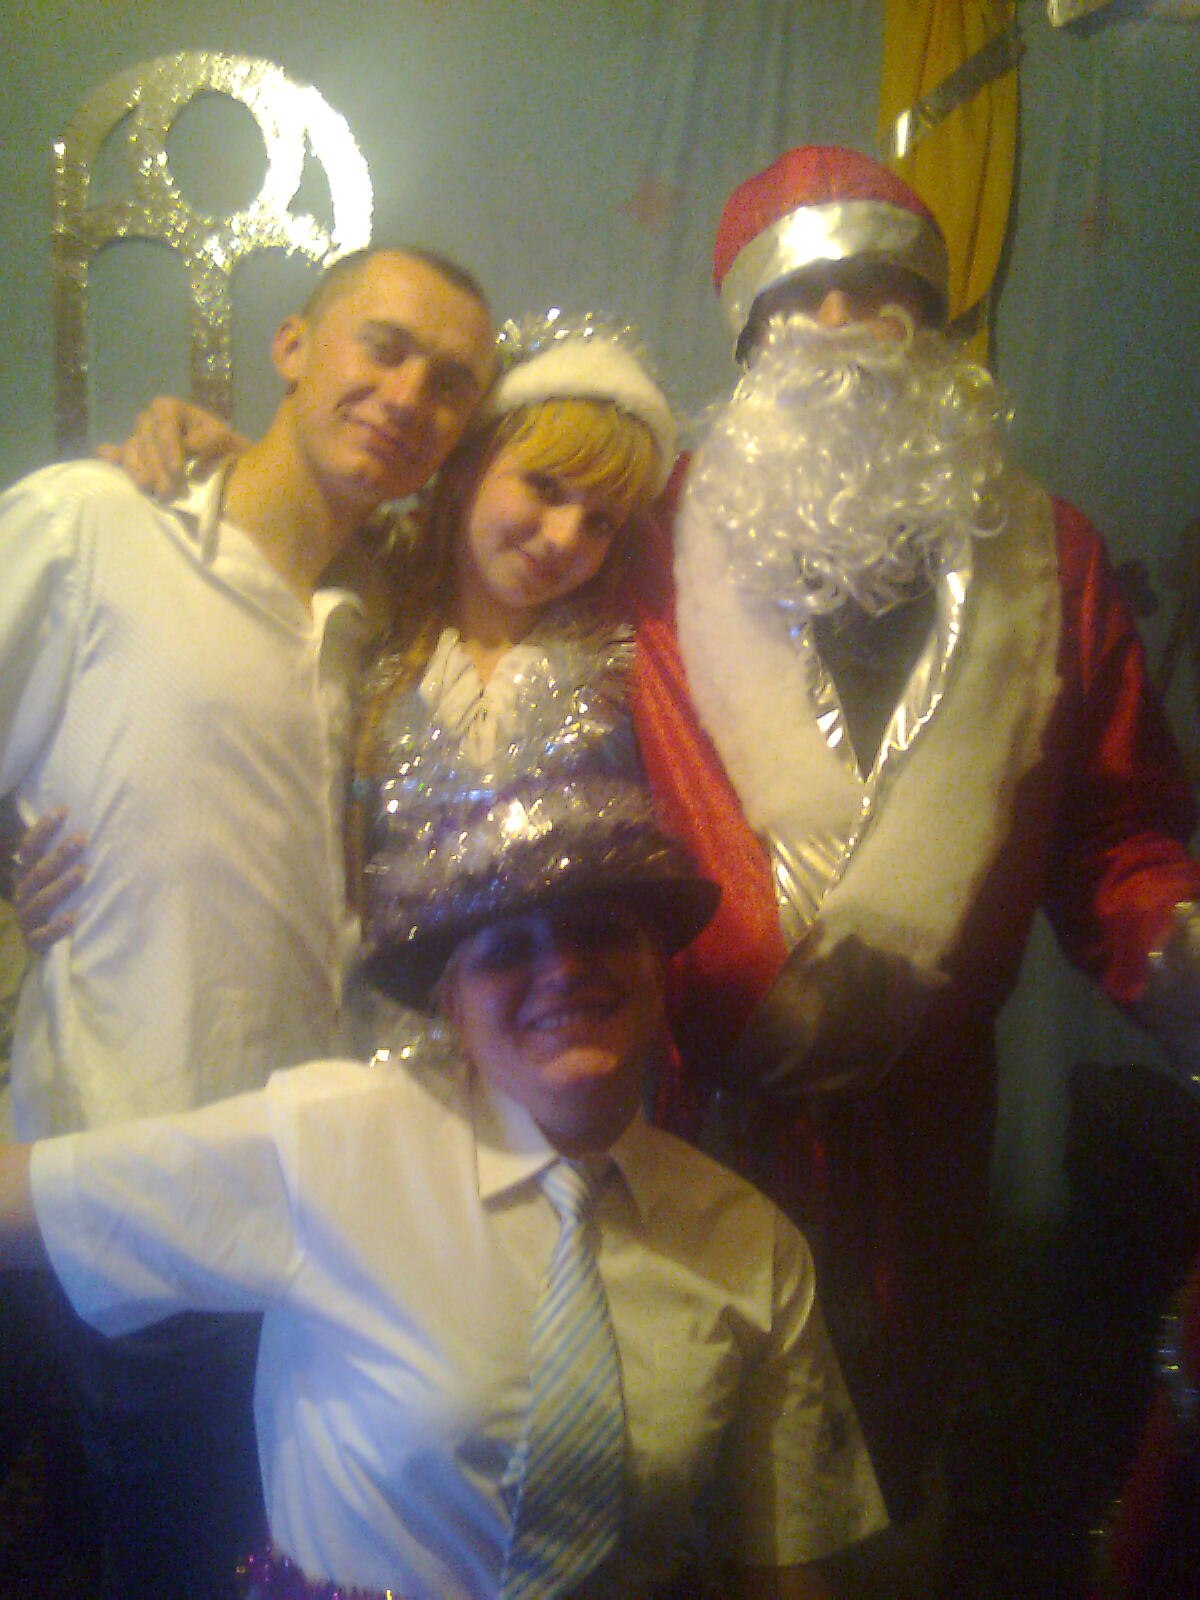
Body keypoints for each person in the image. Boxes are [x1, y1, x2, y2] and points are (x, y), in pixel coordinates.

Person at [617, 144, 1200, 1529]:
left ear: (936, 329)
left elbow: (1116, 835)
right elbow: (469, 589)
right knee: (676, 1463)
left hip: (923, 1135)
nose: (837, 325)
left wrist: (1182, 947)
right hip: (682, 1119)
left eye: (878, 292)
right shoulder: (639, 536)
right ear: (747, 336)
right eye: (799, 297)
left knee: (878, 1455)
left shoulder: (1048, 554)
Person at [0, 751, 889, 1599]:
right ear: (452, 1008)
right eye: (506, 950)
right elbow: (30, 1201)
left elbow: (784, 1567)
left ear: (659, 967)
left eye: (599, 931)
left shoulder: (750, 1245)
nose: (563, 968)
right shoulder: (338, 1138)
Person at [0, 244, 496, 1595]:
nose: (409, 395)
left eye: (451, 383)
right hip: (102, 1181)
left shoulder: (370, 623)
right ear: (292, 347)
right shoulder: (98, 523)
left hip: (279, 1209)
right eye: (382, 346)